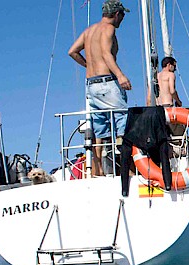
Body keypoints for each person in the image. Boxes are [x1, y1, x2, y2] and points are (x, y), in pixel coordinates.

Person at [68, 0, 131, 176]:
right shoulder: (109, 29)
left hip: (91, 85)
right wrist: (120, 75)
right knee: (123, 122)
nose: (122, 19)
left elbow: (72, 51)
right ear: (117, 14)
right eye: (123, 15)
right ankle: (129, 169)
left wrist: (88, 65)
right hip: (106, 83)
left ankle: (97, 171)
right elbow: (106, 53)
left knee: (99, 130)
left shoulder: (88, 31)